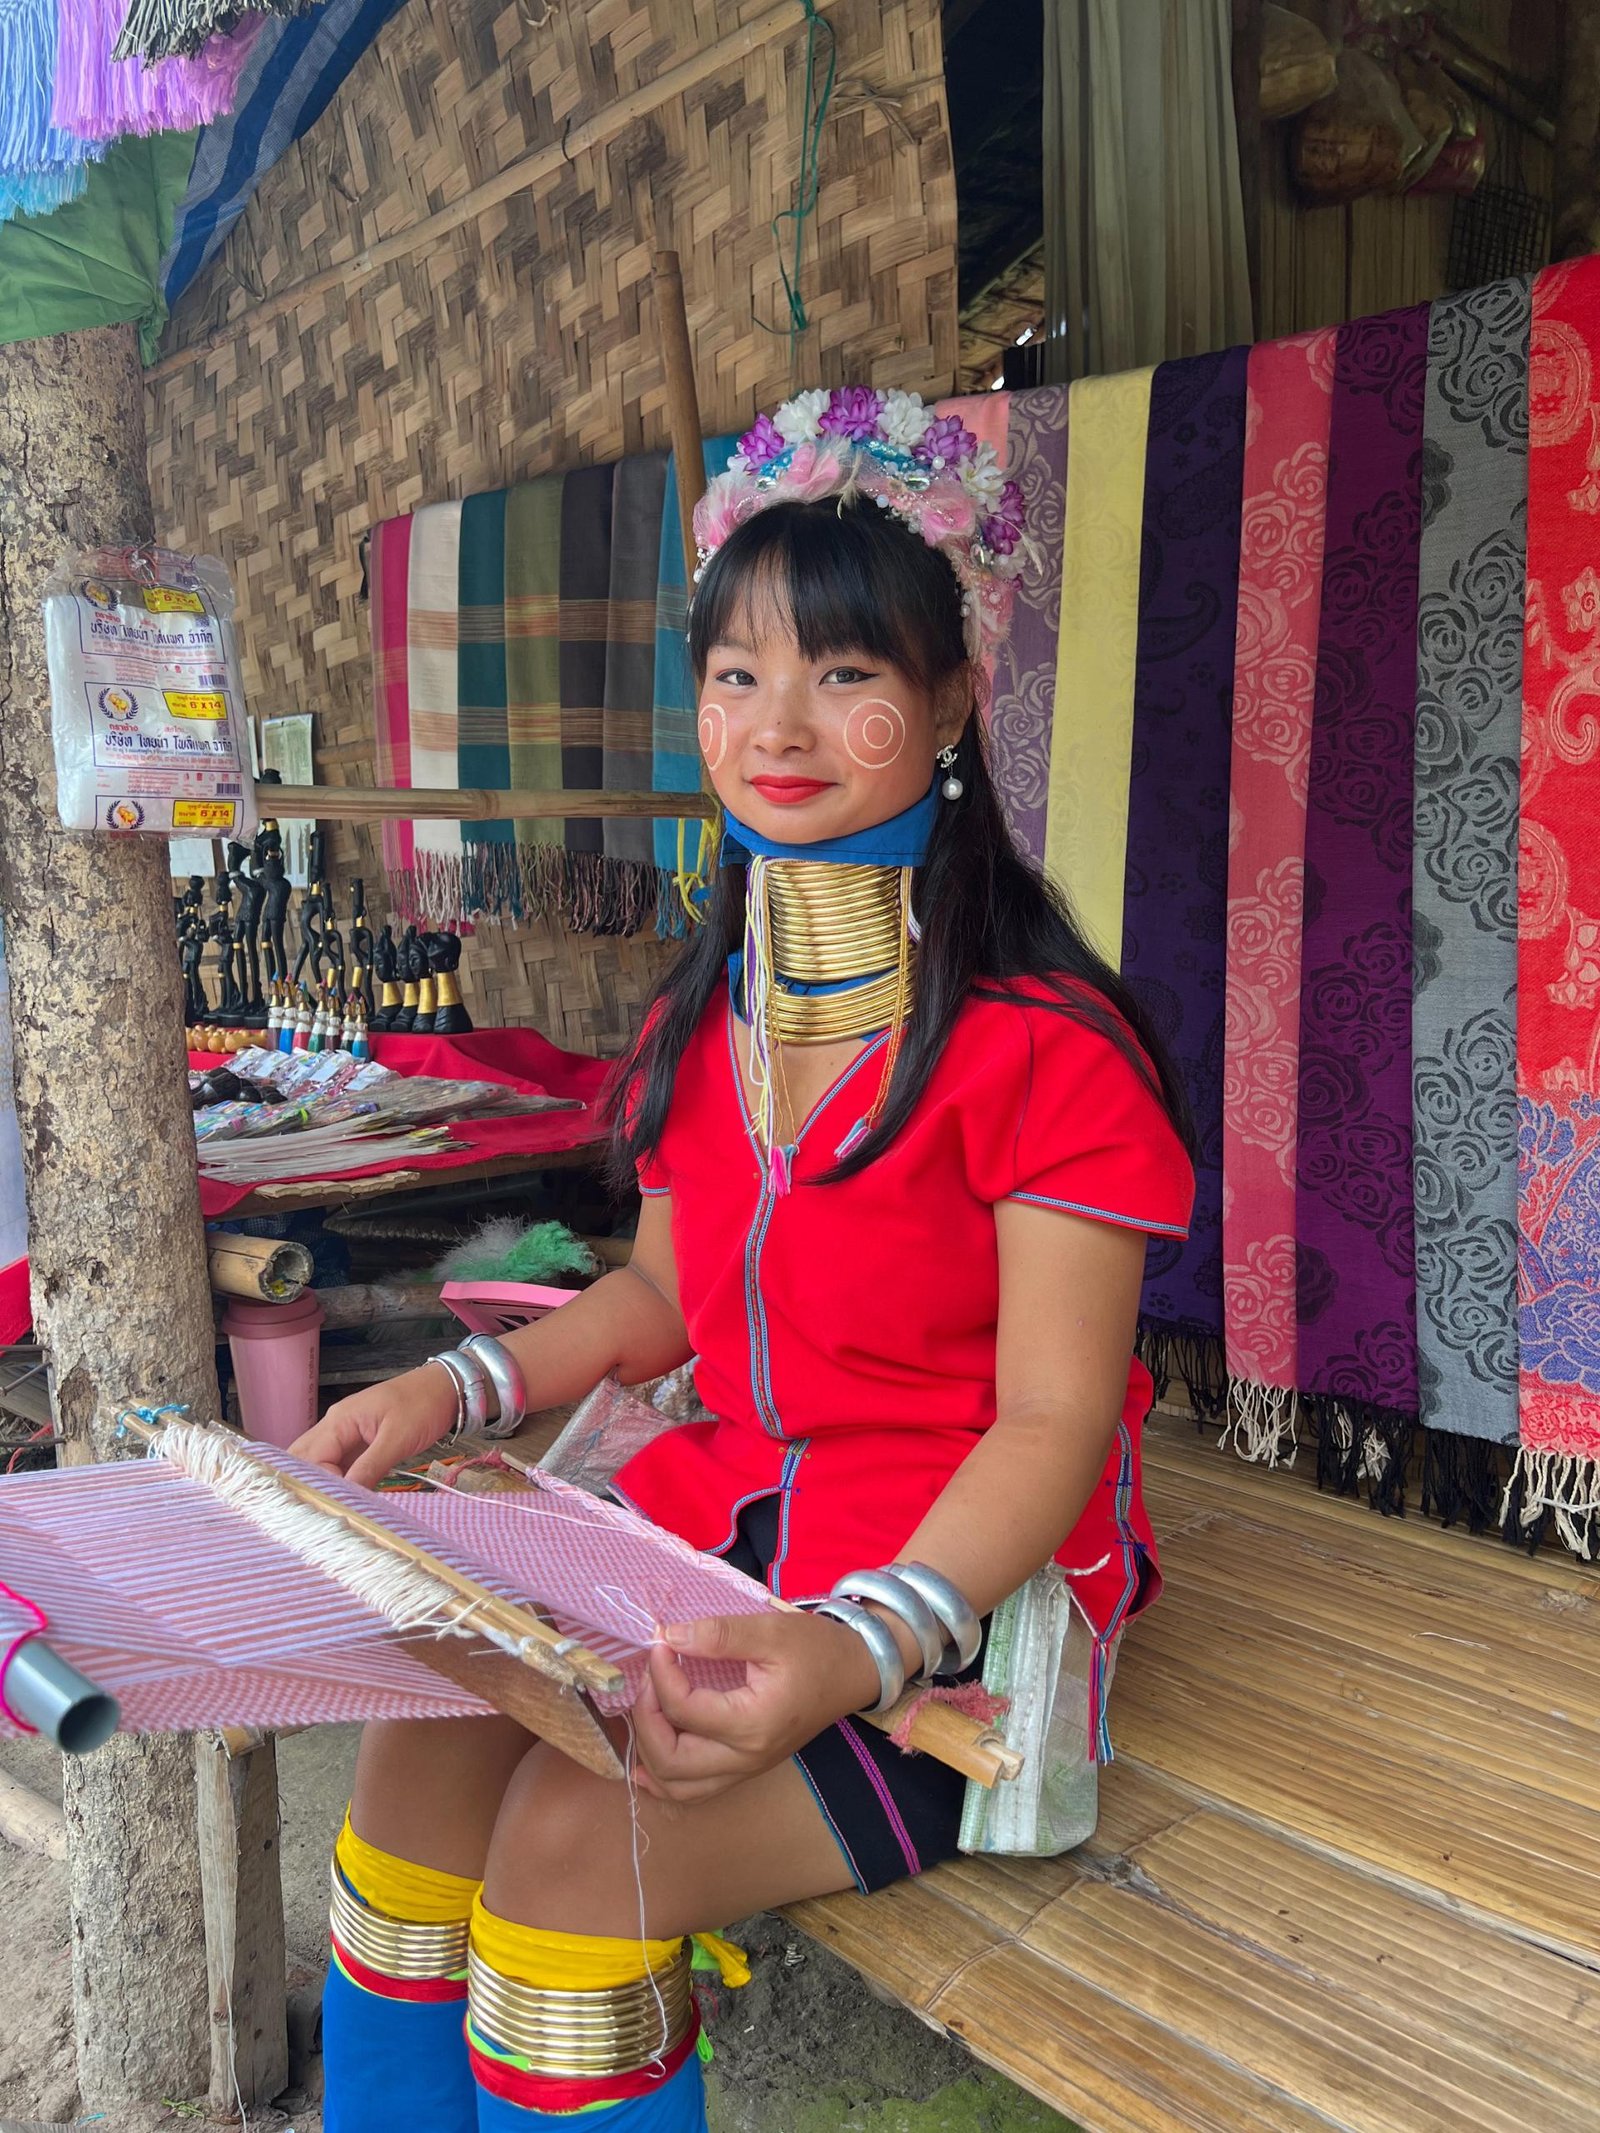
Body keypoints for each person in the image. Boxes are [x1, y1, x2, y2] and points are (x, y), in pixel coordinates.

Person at [294, 386, 1196, 2132]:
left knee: (571, 1855)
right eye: (736, 672)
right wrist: (451, 1385)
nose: (777, 725)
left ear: (950, 699)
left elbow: (1052, 1424)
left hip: (950, 1598)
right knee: (411, 1770)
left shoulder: (1051, 1050)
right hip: (717, 1525)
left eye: (844, 672)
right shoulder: (710, 1019)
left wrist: (851, 1653)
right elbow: (660, 1297)